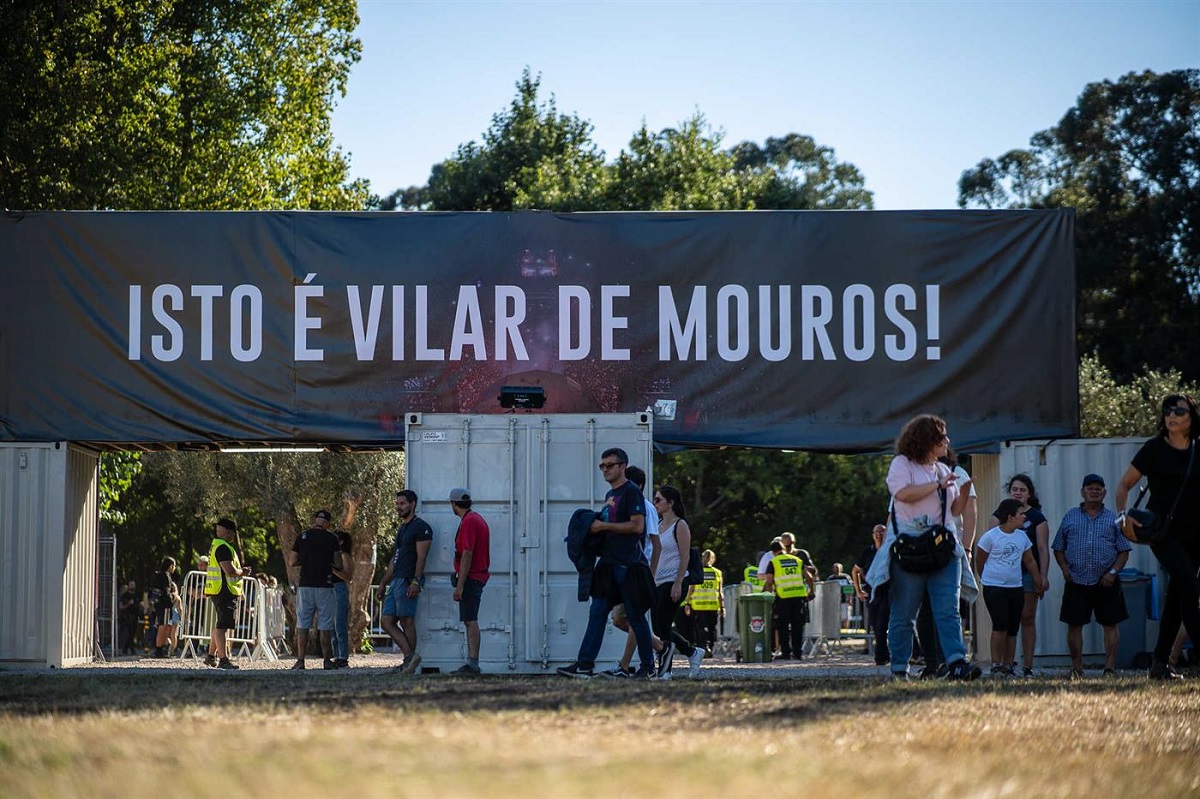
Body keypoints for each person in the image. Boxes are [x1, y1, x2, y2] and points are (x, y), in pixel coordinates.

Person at [866, 414, 981, 681]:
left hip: (941, 546)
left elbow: (952, 511)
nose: (947, 441)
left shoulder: (942, 470)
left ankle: (956, 663)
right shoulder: (901, 464)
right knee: (904, 611)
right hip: (909, 548)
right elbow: (903, 494)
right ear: (926, 439)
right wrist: (936, 486)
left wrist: (963, 494)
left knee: (948, 609)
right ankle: (899, 668)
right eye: (942, 437)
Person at [1115, 393, 1200, 680]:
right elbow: (1124, 485)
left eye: (1179, 410)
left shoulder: (1198, 450)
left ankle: (1160, 664)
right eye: (1167, 410)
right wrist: (1123, 516)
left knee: (1178, 596)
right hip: (1163, 533)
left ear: (1192, 416)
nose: (1172, 415)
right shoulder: (1153, 449)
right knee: (1188, 584)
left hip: (1197, 534)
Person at [557, 448, 656, 679]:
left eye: (610, 465)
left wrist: (603, 527)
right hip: (608, 564)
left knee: (635, 616)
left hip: (628, 564)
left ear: (622, 467)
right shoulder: (611, 495)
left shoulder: (631, 492)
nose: (605, 470)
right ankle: (584, 665)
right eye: (602, 466)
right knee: (598, 611)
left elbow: (637, 526)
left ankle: (648, 667)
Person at [1052, 473, 1131, 679]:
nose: (1094, 491)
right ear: (1082, 492)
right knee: (1074, 624)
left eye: (1098, 488)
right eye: (1090, 488)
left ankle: (1109, 669)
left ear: (1104, 493)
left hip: (1107, 582)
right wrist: (1064, 569)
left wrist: (1112, 573)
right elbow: (1058, 546)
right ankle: (1077, 669)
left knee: (1110, 624)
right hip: (1076, 580)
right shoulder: (1070, 516)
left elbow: (1124, 550)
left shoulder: (1114, 518)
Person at [598, 465, 662, 679]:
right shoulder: (620, 503)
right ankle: (662, 648)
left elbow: (655, 543)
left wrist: (650, 575)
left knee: (635, 617)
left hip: (638, 569)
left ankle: (634, 665)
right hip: (624, 567)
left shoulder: (645, 507)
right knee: (620, 618)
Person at [976, 499, 1045, 677]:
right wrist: (985, 577)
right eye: (1021, 513)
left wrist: (1037, 578)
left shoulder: (1022, 537)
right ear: (1010, 517)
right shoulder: (991, 536)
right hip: (994, 587)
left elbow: (1029, 560)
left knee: (1013, 628)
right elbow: (980, 559)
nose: (1024, 516)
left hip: (1016, 587)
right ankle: (995, 664)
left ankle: (1009, 665)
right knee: (1000, 626)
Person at [649, 484, 705, 679]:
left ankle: (666, 671)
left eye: (658, 500)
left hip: (674, 581)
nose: (655, 503)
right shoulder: (657, 526)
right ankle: (692, 652)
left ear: (670, 503)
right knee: (656, 627)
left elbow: (685, 556)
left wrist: (678, 583)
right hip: (657, 582)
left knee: (663, 626)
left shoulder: (680, 525)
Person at [376, 490, 432, 674]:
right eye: (397, 503)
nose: (398, 507)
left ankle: (408, 662)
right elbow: (396, 558)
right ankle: (409, 657)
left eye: (402, 503)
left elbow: (422, 557)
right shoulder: (401, 529)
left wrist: (415, 581)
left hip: (409, 579)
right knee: (386, 621)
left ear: (412, 504)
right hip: (396, 580)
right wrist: (384, 582)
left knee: (407, 620)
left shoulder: (421, 527)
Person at [1007, 473, 1050, 677]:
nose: (1018, 493)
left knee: (1027, 617)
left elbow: (1042, 549)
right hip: (1005, 574)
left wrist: (1042, 575)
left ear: (1029, 494)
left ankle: (1028, 667)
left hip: (1028, 574)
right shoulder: (1000, 515)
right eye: (1015, 489)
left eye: (1022, 490)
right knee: (1008, 619)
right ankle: (1006, 665)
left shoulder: (1037, 518)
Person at [287, 509, 340, 670]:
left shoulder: (302, 537)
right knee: (325, 625)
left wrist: (305, 562)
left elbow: (291, 561)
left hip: (306, 585)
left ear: (314, 520)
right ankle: (326, 661)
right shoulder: (332, 538)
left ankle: (301, 660)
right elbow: (339, 564)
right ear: (328, 523)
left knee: (303, 624)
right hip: (325, 586)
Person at [451, 487, 491, 674]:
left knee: (470, 620)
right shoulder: (476, 519)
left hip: (471, 577)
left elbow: (467, 553)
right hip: (477, 575)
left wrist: (460, 584)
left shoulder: (468, 522)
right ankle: (472, 662)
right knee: (469, 619)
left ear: (454, 504)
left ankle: (473, 664)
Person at [204, 518, 251, 670]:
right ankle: (223, 660)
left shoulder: (217, 545)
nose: (233, 535)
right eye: (232, 532)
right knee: (222, 626)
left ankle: (211, 656)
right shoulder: (223, 547)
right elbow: (229, 571)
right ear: (229, 531)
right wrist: (242, 572)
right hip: (224, 591)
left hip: (218, 590)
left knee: (220, 624)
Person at [763, 538, 813, 660]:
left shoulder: (774, 562)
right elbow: (809, 577)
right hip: (798, 597)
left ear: (773, 552)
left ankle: (786, 653)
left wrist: (769, 597)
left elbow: (769, 582)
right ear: (783, 549)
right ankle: (797, 653)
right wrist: (811, 591)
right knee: (798, 626)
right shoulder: (797, 560)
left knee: (783, 626)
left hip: (783, 598)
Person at [852, 524, 890, 668]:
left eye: (882, 532)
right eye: (876, 532)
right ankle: (883, 656)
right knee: (876, 626)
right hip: (871, 594)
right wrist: (858, 590)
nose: (879, 534)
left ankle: (881, 656)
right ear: (872, 535)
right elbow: (855, 570)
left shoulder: (890, 550)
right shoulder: (867, 552)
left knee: (883, 625)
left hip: (887, 592)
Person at [687, 549, 724, 657]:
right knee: (712, 628)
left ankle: (703, 647)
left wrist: (687, 603)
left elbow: (691, 589)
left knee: (700, 628)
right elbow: (720, 592)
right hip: (713, 605)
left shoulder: (698, 571)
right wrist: (722, 606)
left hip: (699, 606)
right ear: (713, 559)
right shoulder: (717, 573)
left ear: (702, 558)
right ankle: (710, 647)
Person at [330, 529, 354, 668]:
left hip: (339, 588)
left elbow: (348, 576)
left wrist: (332, 569)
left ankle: (343, 656)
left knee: (340, 624)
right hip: (330, 589)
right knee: (332, 626)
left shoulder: (344, 555)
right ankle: (336, 654)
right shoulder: (335, 555)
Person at [151, 557, 180, 658]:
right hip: (165, 605)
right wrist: (173, 597)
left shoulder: (158, 575)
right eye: (174, 566)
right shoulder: (166, 576)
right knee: (163, 626)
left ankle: (161, 648)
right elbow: (166, 592)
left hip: (159, 604)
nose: (174, 568)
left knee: (164, 626)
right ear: (170, 566)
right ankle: (159, 650)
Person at [826, 563, 853, 631]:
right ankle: (836, 633)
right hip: (834, 602)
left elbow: (850, 588)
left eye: (838, 568)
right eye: (835, 568)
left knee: (845, 617)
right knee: (835, 618)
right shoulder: (831, 578)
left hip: (845, 601)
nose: (837, 569)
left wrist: (850, 599)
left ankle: (845, 632)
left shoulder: (846, 577)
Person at [118, 580, 139, 656]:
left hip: (135, 616)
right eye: (131, 584)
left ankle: (126, 648)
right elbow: (121, 607)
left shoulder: (136, 595)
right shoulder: (124, 596)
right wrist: (128, 604)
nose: (132, 586)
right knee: (129, 632)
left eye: (133, 584)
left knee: (133, 633)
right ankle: (130, 649)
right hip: (127, 616)